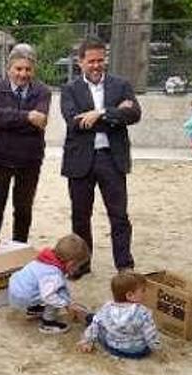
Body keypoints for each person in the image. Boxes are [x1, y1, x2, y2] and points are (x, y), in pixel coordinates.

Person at [61, 37, 142, 279]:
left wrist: (100, 113)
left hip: (111, 158)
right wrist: (115, 114)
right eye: (91, 61)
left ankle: (124, 265)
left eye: (100, 60)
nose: (96, 65)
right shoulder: (70, 89)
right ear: (80, 62)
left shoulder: (121, 85)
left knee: (119, 215)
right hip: (80, 161)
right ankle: (82, 263)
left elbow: (135, 114)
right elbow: (73, 122)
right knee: (80, 215)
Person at [0, 43, 51, 243]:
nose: (23, 74)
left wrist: (12, 119)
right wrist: (28, 116)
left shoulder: (42, 91)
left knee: (23, 210)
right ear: (9, 69)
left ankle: (18, 249)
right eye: (18, 69)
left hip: (29, 160)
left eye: (28, 69)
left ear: (34, 70)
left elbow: (40, 122)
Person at [8, 234, 90, 334]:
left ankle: (34, 309)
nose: (76, 270)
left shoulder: (45, 259)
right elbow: (48, 296)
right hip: (24, 297)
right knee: (57, 294)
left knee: (42, 287)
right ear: (71, 264)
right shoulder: (53, 274)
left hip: (16, 289)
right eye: (77, 267)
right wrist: (67, 304)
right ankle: (48, 323)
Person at [77, 271, 161, 359]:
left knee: (97, 323)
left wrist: (87, 340)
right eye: (143, 290)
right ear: (129, 295)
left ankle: (82, 315)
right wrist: (155, 346)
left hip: (113, 348)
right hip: (138, 352)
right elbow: (150, 333)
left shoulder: (107, 308)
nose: (146, 293)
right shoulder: (143, 312)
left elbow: (95, 325)